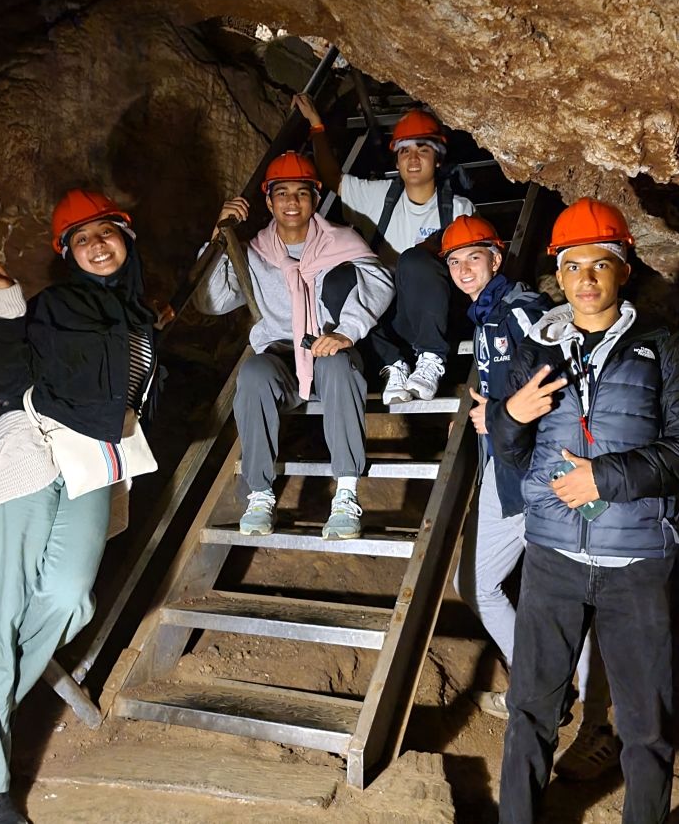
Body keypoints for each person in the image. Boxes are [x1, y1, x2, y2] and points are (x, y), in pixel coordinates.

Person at [491, 198, 679, 823]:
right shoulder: (532, 349)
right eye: (575, 266)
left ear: (624, 271)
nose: (588, 278)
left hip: (639, 559)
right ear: (560, 275)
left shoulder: (662, 348)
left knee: (646, 724)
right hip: (552, 556)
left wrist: (607, 476)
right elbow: (510, 448)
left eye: (603, 263)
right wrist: (508, 417)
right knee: (530, 711)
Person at [0, 190, 157, 824]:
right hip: (29, 448)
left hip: (95, 462)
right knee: (0, 607)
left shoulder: (139, 315)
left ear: (126, 237)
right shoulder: (53, 305)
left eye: (106, 231)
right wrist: (6, 295)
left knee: (69, 596)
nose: (95, 243)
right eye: (79, 237)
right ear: (66, 253)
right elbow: (8, 361)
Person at [194, 151, 394, 540]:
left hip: (328, 352)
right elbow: (212, 300)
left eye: (301, 193)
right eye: (281, 193)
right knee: (252, 372)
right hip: (282, 359)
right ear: (268, 202)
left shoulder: (342, 240)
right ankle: (260, 493)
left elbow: (380, 282)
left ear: (314, 200)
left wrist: (347, 331)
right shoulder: (253, 252)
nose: (291, 202)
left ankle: (346, 494)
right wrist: (218, 236)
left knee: (338, 364)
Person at [441, 215, 553, 717]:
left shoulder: (523, 309)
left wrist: (500, 413)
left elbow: (557, 375)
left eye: (473, 257)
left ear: (496, 257)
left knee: (550, 592)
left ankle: (546, 694)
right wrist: (482, 413)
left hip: (536, 471)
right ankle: (544, 687)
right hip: (506, 468)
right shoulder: (487, 318)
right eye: (455, 261)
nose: (464, 268)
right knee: (491, 584)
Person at [294, 95, 474, 404]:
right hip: (386, 318)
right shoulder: (381, 197)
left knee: (414, 260)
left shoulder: (459, 209)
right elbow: (333, 179)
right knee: (338, 278)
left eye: (423, 149)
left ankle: (431, 359)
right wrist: (316, 126)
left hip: (433, 314)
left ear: (439, 158)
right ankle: (395, 364)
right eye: (405, 151)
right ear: (397, 160)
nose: (413, 159)